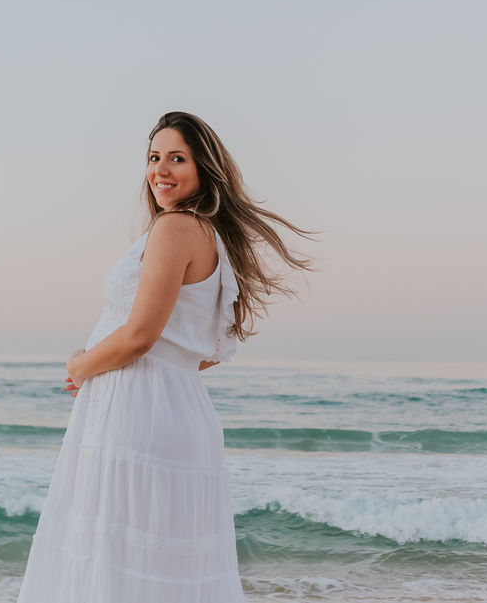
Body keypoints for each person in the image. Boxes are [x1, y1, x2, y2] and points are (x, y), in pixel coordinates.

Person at [16, 111, 313, 602]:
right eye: (155, 158)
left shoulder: (175, 229)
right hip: (177, 410)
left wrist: (79, 367)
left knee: (117, 570)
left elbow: (139, 336)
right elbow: (202, 353)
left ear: (204, 168)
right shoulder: (211, 237)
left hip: (137, 415)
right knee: (166, 573)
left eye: (178, 158)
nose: (161, 170)